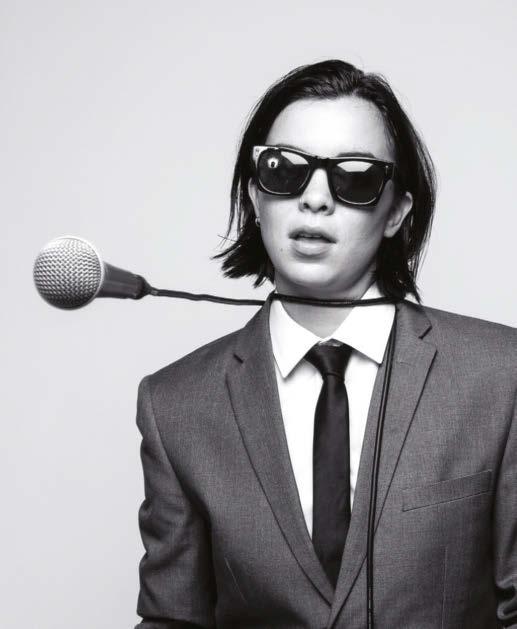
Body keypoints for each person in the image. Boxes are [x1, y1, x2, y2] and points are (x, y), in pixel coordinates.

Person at [134, 60, 517, 628]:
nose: (315, 199)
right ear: (254, 195)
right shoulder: (175, 405)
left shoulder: (501, 376)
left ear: (397, 213)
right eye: (284, 169)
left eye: (355, 177)